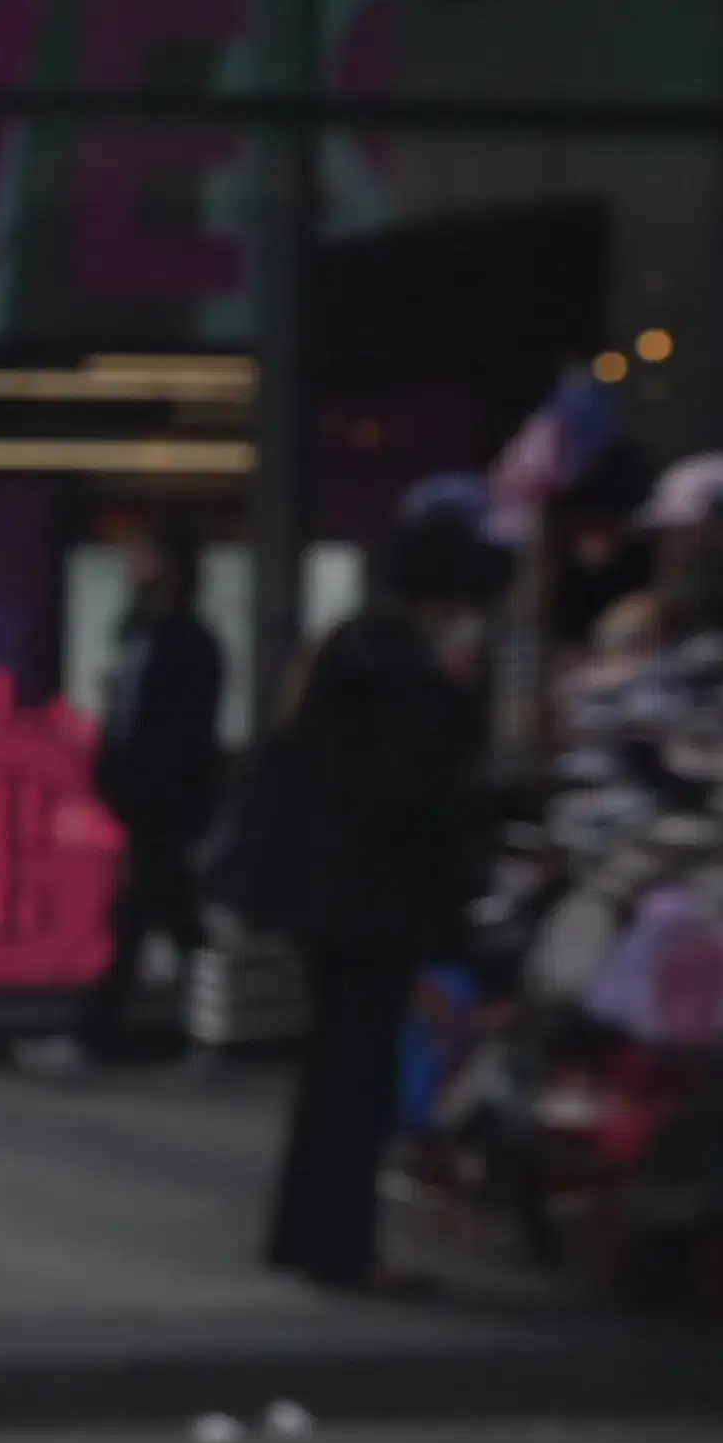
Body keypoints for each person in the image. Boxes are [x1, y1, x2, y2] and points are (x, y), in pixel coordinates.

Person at [239, 502, 506, 1294]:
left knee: (332, 1069)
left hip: (329, 897)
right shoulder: (406, 680)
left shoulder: (344, 656)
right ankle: (342, 1247)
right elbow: (411, 793)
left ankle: (307, 1232)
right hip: (375, 902)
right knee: (360, 1073)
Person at [23, 517, 230, 1078]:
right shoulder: (141, 633)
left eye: (143, 555)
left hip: (167, 802)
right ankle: (208, 1035)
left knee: (147, 917)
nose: (132, 567)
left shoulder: (189, 643)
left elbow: (182, 733)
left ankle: (106, 1037)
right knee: (166, 919)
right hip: (141, 800)